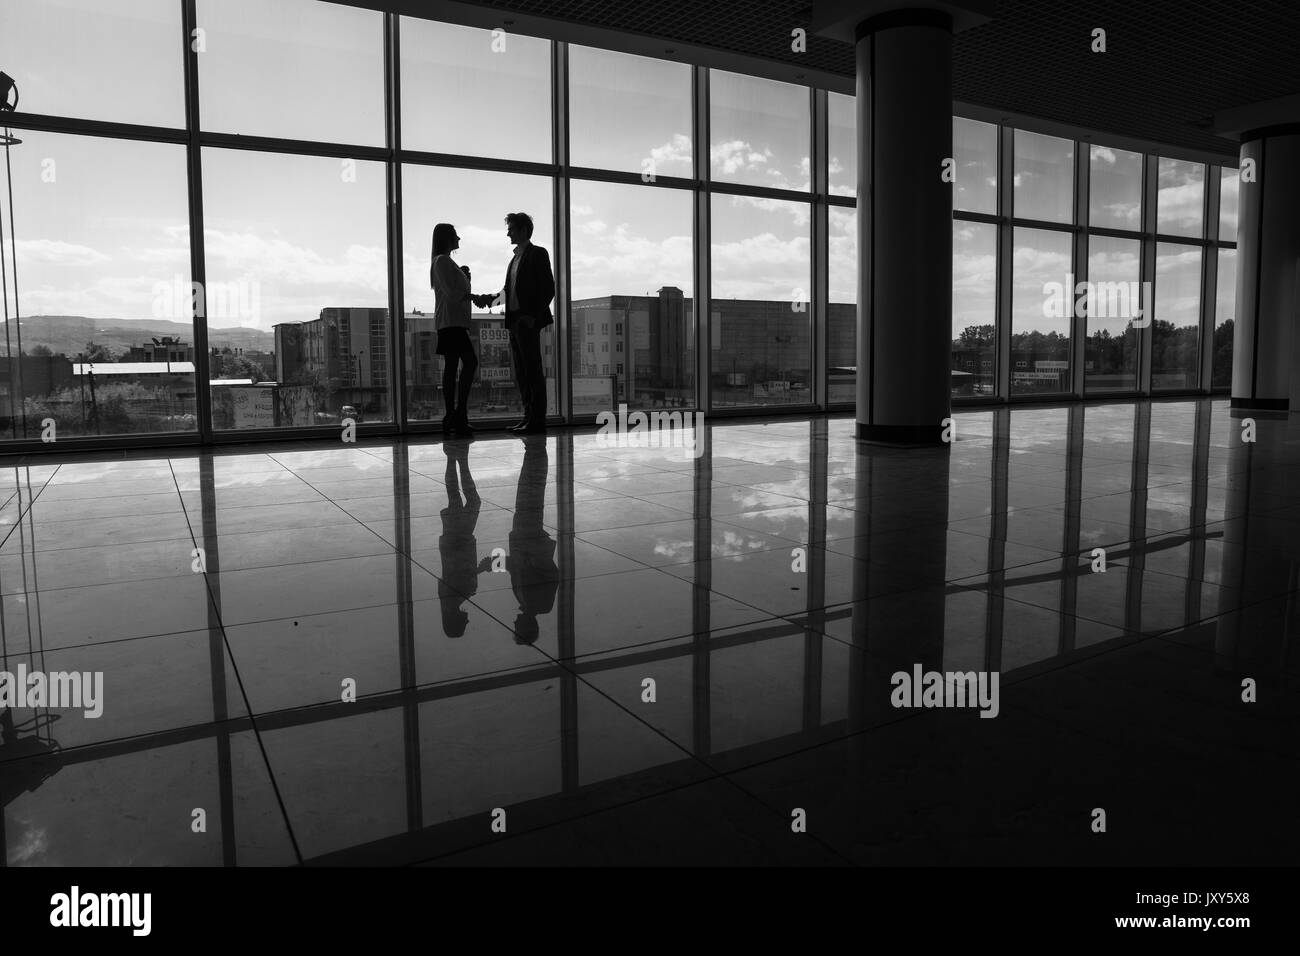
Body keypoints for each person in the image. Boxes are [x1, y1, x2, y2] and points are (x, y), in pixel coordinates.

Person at [472, 212, 554, 434]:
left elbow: (548, 289)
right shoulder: (514, 259)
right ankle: (529, 418)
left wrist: (532, 317)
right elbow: (508, 294)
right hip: (516, 322)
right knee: (522, 372)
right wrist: (486, 299)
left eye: (511, 228)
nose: (508, 232)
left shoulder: (537, 254)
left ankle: (537, 420)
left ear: (524, 230)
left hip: (526, 322)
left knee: (533, 371)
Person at [430, 222, 480, 436]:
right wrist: (472, 294)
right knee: (469, 362)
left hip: (452, 323)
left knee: (452, 367)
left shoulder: (446, 262)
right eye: (456, 236)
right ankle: (457, 414)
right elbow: (452, 293)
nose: (459, 239)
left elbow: (453, 291)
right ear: (448, 239)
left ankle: (454, 415)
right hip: (451, 323)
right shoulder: (442, 261)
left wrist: (466, 281)